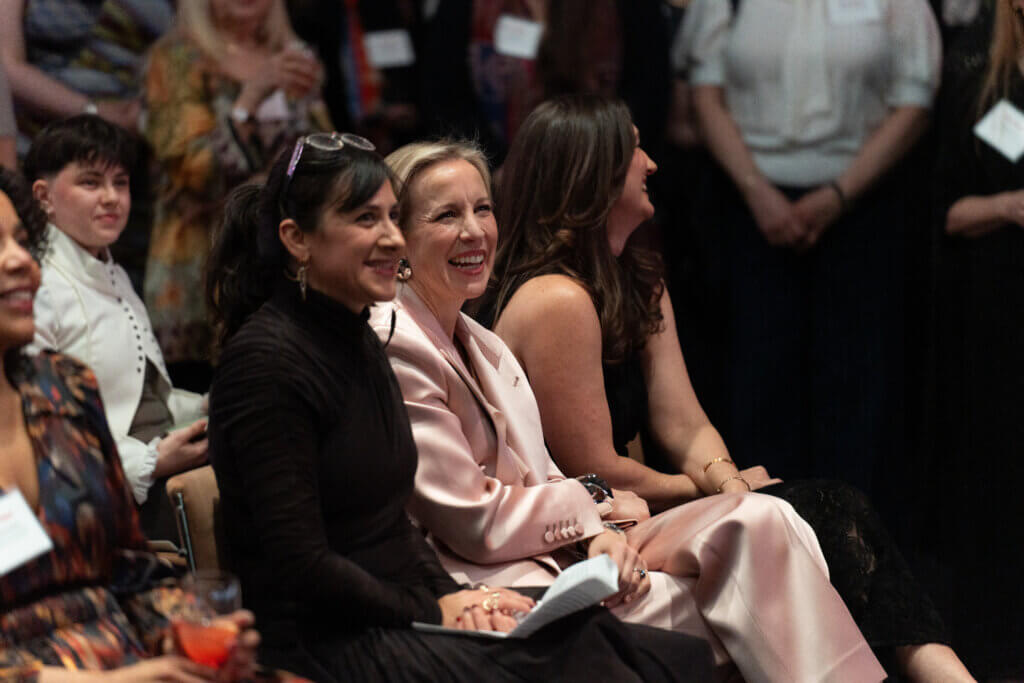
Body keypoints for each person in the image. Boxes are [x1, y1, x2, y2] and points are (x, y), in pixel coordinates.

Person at [481, 95, 974, 681]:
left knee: (823, 510)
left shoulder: (637, 278)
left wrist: (729, 481)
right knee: (823, 510)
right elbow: (599, 470)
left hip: (645, 508)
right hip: (590, 529)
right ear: (595, 172)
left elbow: (684, 423)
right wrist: (711, 493)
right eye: (634, 148)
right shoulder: (555, 299)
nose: (651, 163)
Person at [369, 138, 886, 683]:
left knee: (765, 519)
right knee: (763, 600)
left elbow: (541, 471)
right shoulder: (396, 342)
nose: (474, 231)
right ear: (397, 238)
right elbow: (472, 517)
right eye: (447, 215)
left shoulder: (479, 339)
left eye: (483, 209)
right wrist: (592, 515)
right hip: (493, 582)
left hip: (568, 545)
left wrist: (599, 534)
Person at [204, 132, 714, 683]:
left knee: (656, 654)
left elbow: (390, 529)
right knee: (593, 661)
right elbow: (301, 568)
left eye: (392, 217)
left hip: (396, 614)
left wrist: (467, 600)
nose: (391, 239)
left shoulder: (355, 339)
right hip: (322, 641)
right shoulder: (265, 364)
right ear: (296, 239)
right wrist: (433, 609)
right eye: (364, 220)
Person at [0, 166, 264, 682]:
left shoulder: (63, 389)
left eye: (18, 240)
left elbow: (131, 568)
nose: (18, 262)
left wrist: (183, 635)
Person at [680, 0, 941, 497]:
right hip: (750, 208)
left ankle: (854, 552)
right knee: (759, 388)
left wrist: (838, 195)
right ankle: (767, 540)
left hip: (861, 209)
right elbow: (705, 94)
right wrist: (757, 191)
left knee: (856, 391)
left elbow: (916, 99)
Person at [23, 115, 207, 541]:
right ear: (43, 196)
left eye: (120, 183)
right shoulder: (37, 284)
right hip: (100, 494)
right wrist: (149, 462)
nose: (111, 198)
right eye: (91, 183)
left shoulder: (112, 271)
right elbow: (40, 430)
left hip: (153, 462)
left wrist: (203, 411)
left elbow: (142, 401)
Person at [143, 0, 330, 391]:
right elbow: (193, 171)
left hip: (290, 270)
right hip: (200, 270)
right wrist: (250, 98)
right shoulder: (176, 59)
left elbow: (325, 160)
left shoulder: (293, 58)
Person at [931, 1, 1024, 675]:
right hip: (997, 318)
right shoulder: (983, 85)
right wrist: (1010, 205)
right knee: (997, 485)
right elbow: (947, 212)